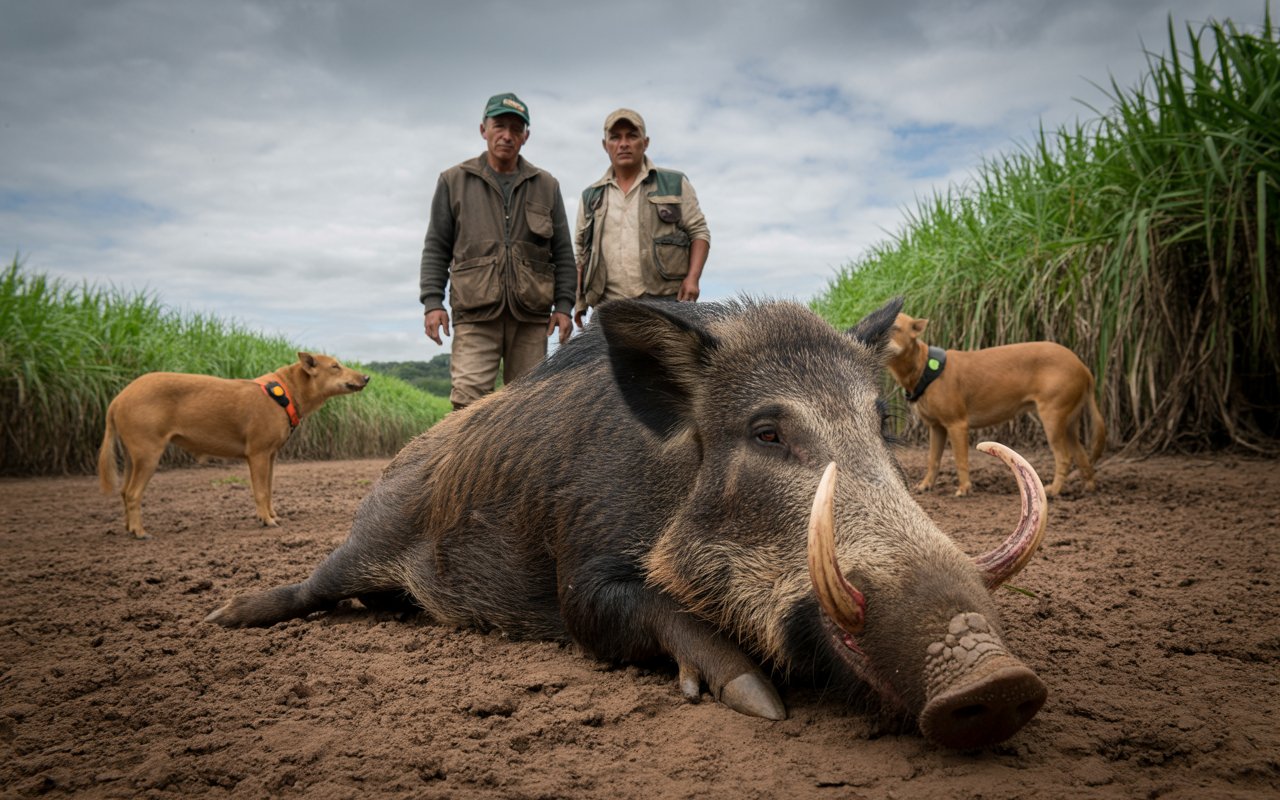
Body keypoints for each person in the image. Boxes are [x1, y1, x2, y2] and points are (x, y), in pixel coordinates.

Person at [420, 92, 575, 410]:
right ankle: (463, 463)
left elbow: (562, 253)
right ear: (483, 129)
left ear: (526, 136)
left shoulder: (546, 184)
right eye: (499, 126)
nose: (507, 135)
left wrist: (564, 306)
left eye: (516, 129)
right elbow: (436, 247)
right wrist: (432, 303)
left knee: (530, 408)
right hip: (475, 313)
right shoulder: (454, 180)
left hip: (531, 317)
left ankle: (527, 464)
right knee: (468, 404)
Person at [574, 108, 710, 327]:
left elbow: (699, 232)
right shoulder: (591, 196)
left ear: (645, 143)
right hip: (607, 305)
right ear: (605, 145)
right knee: (605, 361)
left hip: (665, 301)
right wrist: (580, 302)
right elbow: (581, 252)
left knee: (666, 361)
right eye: (615, 137)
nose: (624, 143)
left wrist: (692, 279)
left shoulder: (674, 184)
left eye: (632, 136)